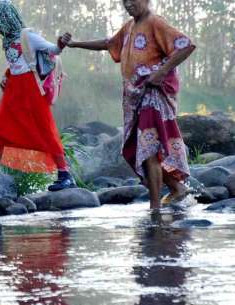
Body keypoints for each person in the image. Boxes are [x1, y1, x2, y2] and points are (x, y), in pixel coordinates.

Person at [64, 0, 196, 209]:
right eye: (124, 0)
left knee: (149, 149)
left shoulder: (155, 22)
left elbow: (186, 45)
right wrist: (75, 44)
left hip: (153, 95)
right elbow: (109, 43)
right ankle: (176, 188)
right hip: (135, 97)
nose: (128, 4)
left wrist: (160, 73)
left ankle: (155, 209)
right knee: (138, 149)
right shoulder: (129, 26)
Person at [0, 0, 75, 192]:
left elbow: (52, 50)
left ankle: (65, 175)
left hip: (31, 92)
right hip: (13, 92)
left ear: (6, 19)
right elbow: (16, 65)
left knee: (46, 131)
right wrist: (6, 77)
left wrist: (60, 44)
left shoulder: (27, 35)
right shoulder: (8, 41)